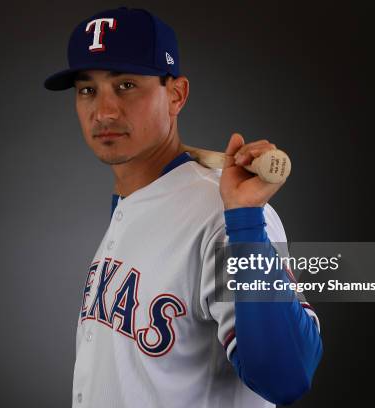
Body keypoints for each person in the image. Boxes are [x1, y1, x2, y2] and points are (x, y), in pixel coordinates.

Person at [44, 7, 322, 408]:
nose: (103, 111)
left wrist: (244, 221)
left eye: (125, 85)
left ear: (175, 95)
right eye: (88, 89)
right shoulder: (133, 204)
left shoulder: (222, 215)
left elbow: (287, 376)